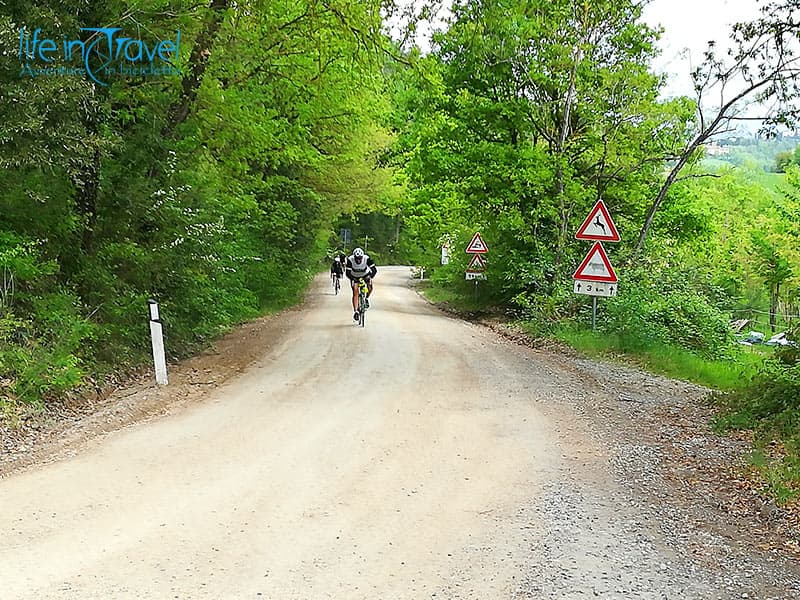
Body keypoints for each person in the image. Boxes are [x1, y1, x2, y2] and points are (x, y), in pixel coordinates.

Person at [345, 247, 377, 321]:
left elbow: (374, 270)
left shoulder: (367, 259)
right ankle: (356, 311)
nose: (358, 260)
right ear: (354, 257)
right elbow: (347, 273)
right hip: (354, 276)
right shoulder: (350, 260)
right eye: (357, 258)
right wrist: (352, 279)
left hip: (365, 275)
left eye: (360, 258)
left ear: (362, 257)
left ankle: (366, 298)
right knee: (355, 291)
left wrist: (370, 277)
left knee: (370, 287)